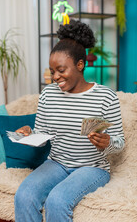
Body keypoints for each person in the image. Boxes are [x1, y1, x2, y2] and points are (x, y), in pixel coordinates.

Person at [14, 20, 125, 222]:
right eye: (52, 70)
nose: (55, 76)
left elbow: (119, 143)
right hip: (56, 163)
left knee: (57, 201)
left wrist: (108, 142)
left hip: (92, 168)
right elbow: (42, 133)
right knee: (24, 195)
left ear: (80, 65)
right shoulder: (48, 94)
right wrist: (30, 134)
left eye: (61, 70)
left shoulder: (106, 97)